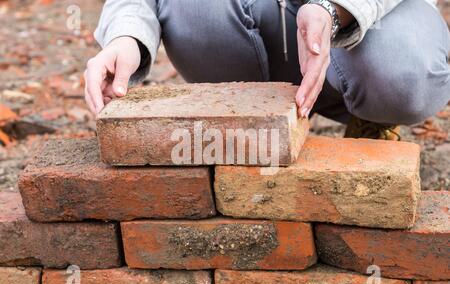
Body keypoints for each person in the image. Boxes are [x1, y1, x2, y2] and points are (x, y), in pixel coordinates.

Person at [85, 0, 450, 140]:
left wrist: (334, 9)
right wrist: (126, 37)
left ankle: (369, 114)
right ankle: (251, 125)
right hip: (239, 23)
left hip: (364, 17)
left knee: (402, 74)